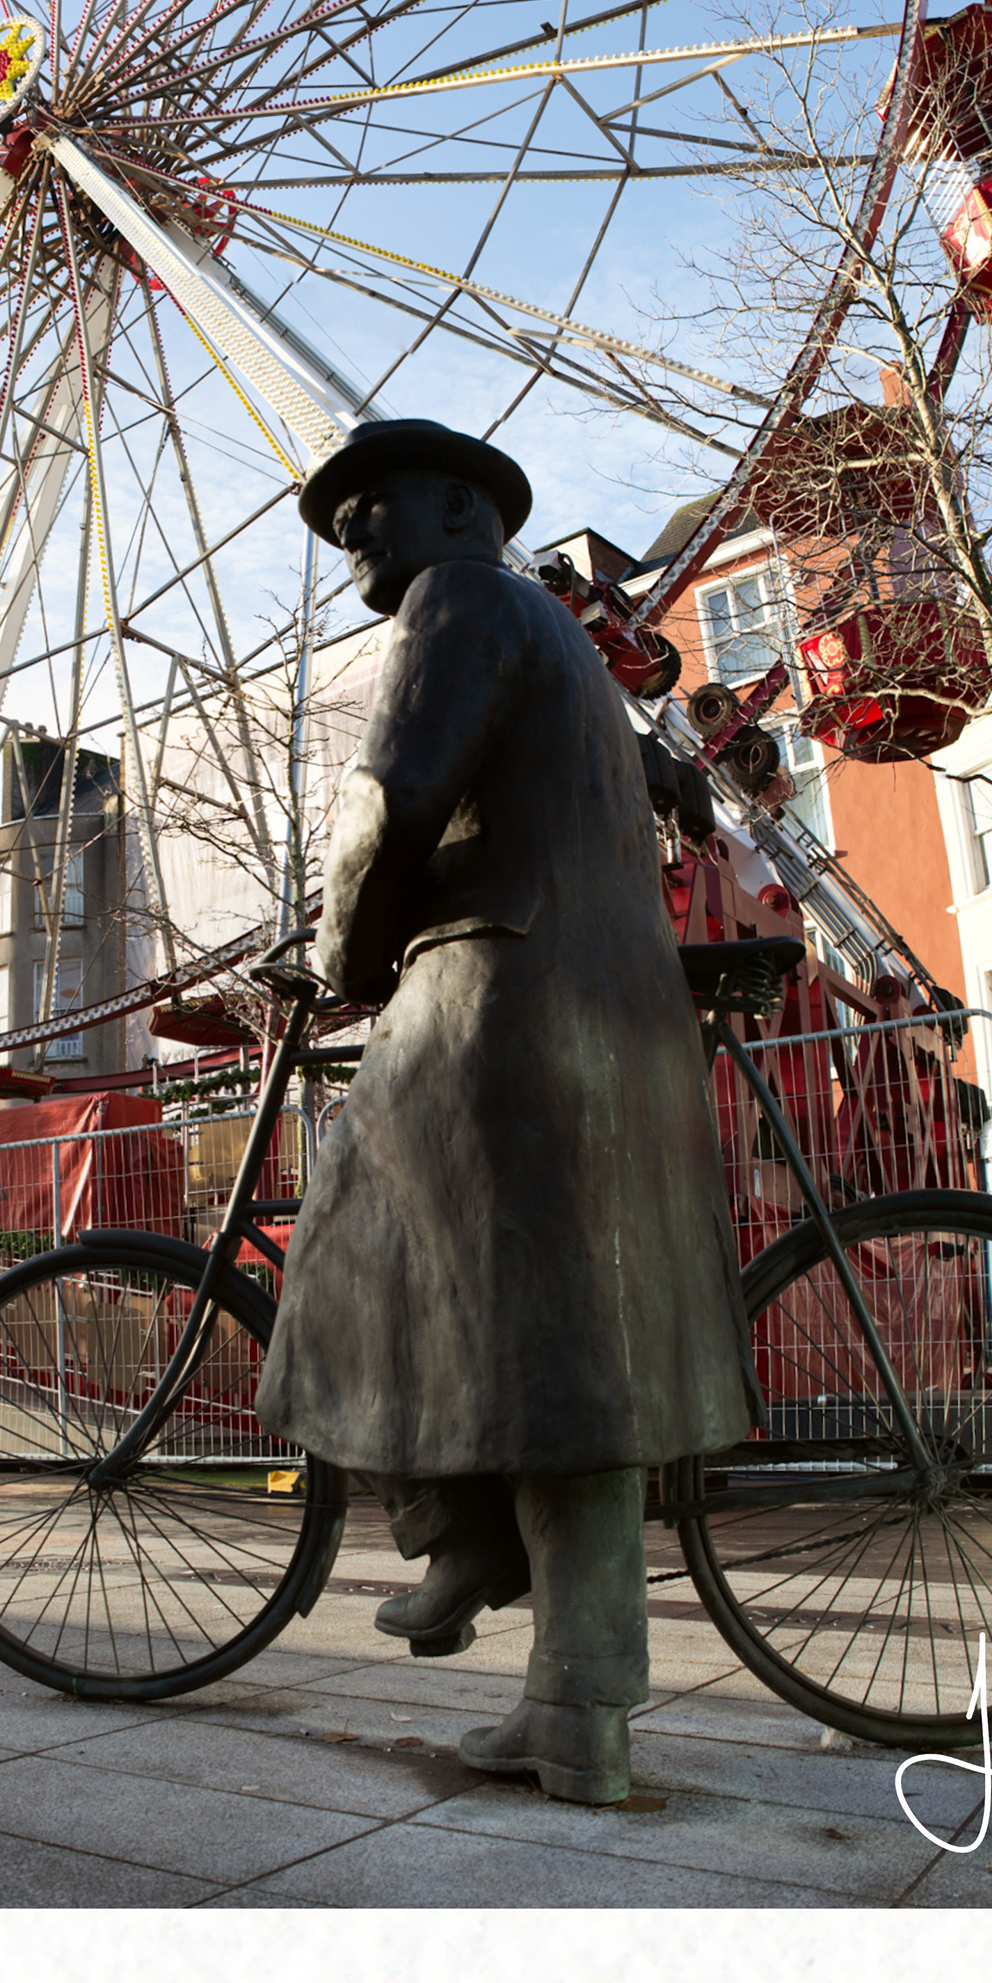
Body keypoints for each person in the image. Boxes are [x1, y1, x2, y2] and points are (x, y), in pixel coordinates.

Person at [251, 418, 755, 1807]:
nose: (359, 536)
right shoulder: (577, 653)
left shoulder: (461, 601)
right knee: (571, 1366)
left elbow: (393, 792)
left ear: (463, 508)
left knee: (345, 1246)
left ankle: (456, 1523)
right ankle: (578, 1708)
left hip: (500, 1001)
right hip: (617, 1017)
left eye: (378, 509)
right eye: (343, 519)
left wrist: (347, 954)